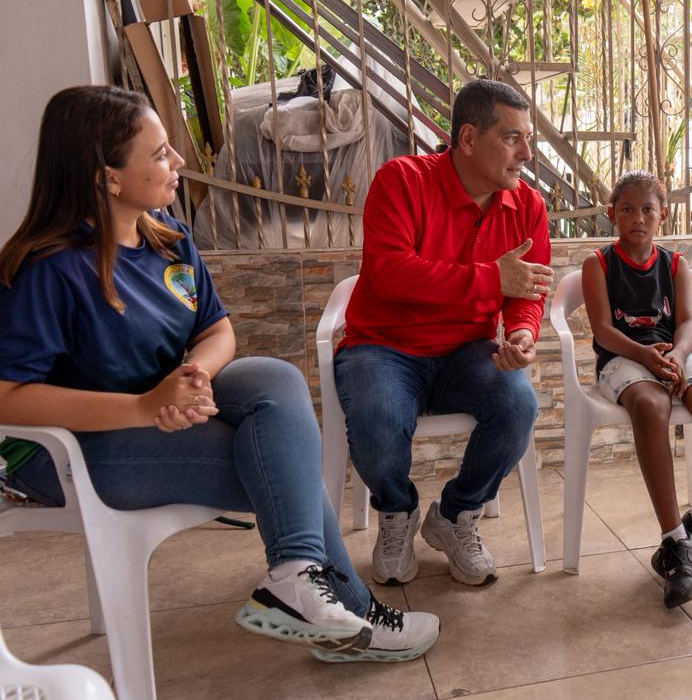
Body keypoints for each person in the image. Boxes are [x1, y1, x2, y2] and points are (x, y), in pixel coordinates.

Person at [0, 86, 437, 663]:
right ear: (107, 176)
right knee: (288, 466)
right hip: (71, 453)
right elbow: (9, 399)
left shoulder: (168, 240)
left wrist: (194, 376)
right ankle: (345, 615)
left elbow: (218, 330)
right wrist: (143, 406)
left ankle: (303, 583)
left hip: (156, 412)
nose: (178, 162)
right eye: (159, 155)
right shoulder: (49, 269)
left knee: (273, 380)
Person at [333, 78, 553, 587]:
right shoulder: (401, 180)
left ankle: (455, 516)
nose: (526, 154)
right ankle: (396, 510)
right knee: (376, 418)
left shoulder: (528, 207)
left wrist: (520, 334)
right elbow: (390, 273)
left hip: (466, 350)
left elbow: (527, 292)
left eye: (528, 139)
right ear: (469, 138)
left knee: (518, 404)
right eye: (513, 138)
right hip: (383, 345)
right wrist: (489, 278)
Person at [580, 171, 692, 608]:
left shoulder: (675, 264)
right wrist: (649, 358)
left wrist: (680, 357)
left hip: (673, 353)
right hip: (623, 358)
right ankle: (673, 536)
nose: (637, 218)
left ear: (663, 216)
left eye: (648, 209)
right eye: (627, 209)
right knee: (651, 406)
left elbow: (687, 321)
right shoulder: (598, 264)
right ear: (612, 215)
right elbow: (603, 330)